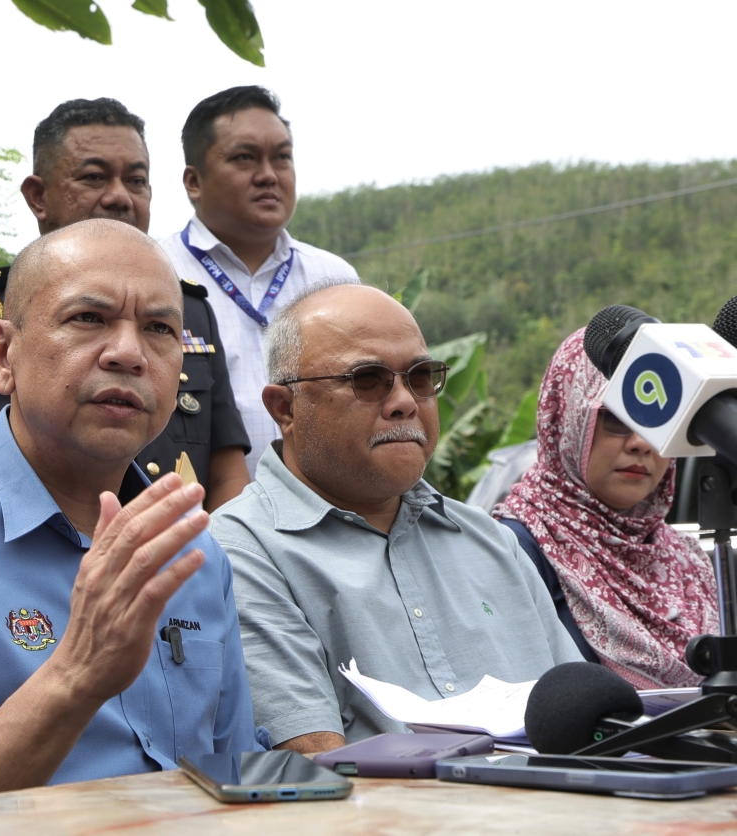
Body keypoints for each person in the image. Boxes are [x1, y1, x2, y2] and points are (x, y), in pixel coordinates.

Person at [0, 220, 262, 812]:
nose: (129, 354)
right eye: (88, 318)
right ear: (3, 355)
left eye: (160, 329)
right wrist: (77, 677)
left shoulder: (192, 549)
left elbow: (235, 766)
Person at [209, 282, 583, 753]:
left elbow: (589, 725)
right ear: (285, 408)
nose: (405, 400)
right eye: (368, 379)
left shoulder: (492, 542)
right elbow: (318, 765)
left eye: (421, 377)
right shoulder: (238, 553)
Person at [0, 98, 251, 511]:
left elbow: (227, 464)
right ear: (38, 196)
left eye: (137, 180)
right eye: (93, 178)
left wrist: (212, 557)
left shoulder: (189, 308)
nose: (119, 197)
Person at [493, 329, 719, 689]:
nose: (641, 443)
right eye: (616, 418)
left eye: (658, 418)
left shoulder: (689, 560)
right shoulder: (516, 551)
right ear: (567, 419)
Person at [160, 87, 360, 476]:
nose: (269, 175)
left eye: (282, 157)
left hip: (330, 517)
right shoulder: (157, 274)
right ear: (193, 181)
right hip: (200, 518)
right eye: (245, 158)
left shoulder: (335, 280)